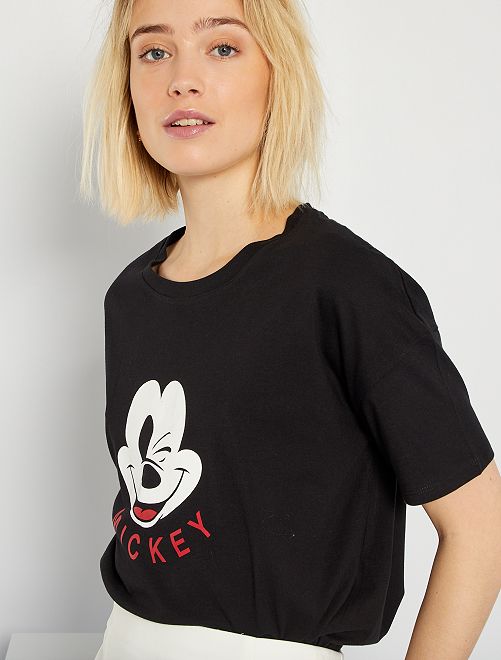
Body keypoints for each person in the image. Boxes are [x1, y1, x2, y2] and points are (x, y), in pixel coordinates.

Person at [80, 1, 501, 659]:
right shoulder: (129, 298)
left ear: (277, 72)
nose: (181, 79)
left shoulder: (348, 288)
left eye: (222, 47)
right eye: (154, 52)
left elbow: (480, 526)